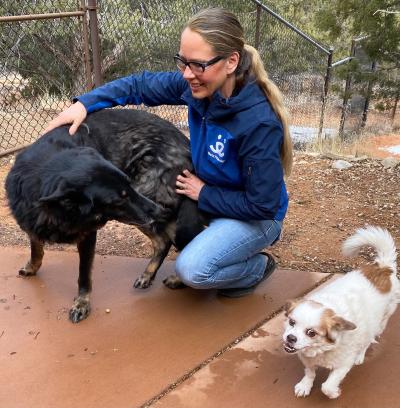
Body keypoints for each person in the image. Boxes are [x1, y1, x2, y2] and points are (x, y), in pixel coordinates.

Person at [45, 7, 293, 298]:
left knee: (194, 270)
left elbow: (263, 204)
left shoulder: (258, 124)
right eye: (182, 62)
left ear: (231, 62)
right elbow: (138, 84)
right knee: (172, 221)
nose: (187, 74)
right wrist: (83, 104)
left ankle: (255, 268)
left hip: (256, 216)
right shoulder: (200, 86)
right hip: (213, 194)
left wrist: (203, 194)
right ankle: (212, 244)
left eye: (197, 65)